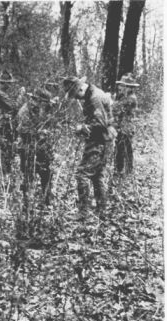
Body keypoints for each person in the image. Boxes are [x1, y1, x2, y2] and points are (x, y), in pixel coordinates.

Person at [62, 76, 116, 218]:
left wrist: (82, 128)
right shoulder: (91, 94)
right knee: (97, 175)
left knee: (82, 174)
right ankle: (101, 210)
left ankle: (83, 211)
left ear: (79, 88)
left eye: (76, 95)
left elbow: (101, 123)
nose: (77, 99)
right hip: (103, 140)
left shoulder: (94, 98)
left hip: (99, 141)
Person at [16, 88, 57, 206]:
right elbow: (22, 130)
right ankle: (27, 204)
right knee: (28, 175)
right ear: (37, 100)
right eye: (44, 102)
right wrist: (39, 132)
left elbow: (47, 120)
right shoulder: (24, 111)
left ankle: (46, 200)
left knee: (46, 173)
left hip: (41, 147)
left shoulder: (40, 108)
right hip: (27, 147)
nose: (45, 105)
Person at [0, 70, 23, 176]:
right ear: (3, 83)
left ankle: (8, 173)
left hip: (7, 124)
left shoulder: (3, 93)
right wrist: (21, 95)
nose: (10, 85)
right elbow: (14, 107)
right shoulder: (0, 94)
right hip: (5, 125)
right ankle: (6, 175)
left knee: (9, 149)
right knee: (6, 149)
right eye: (8, 83)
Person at [113, 73, 139, 174]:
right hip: (123, 126)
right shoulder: (125, 97)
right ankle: (122, 169)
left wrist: (111, 102)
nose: (121, 88)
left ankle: (125, 170)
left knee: (124, 148)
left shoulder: (130, 98)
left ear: (129, 88)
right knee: (121, 147)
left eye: (123, 86)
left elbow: (116, 108)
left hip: (126, 127)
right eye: (121, 86)